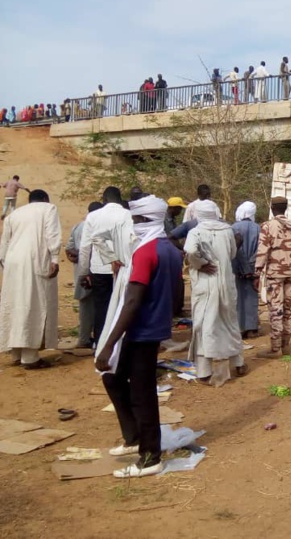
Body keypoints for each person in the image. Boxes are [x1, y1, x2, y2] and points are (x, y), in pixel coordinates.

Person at [95, 196, 183, 478]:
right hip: (152, 327)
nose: (134, 226)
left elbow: (132, 300)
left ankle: (150, 457)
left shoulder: (145, 252)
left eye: (137, 220)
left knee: (142, 393)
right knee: (113, 378)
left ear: (146, 220)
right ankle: (134, 437)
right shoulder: (169, 248)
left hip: (140, 330)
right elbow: (178, 293)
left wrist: (108, 344)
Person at [184, 200, 246, 385]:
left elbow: (190, 250)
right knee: (229, 322)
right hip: (226, 282)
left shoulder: (195, 231)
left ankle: (204, 371)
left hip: (206, 284)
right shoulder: (227, 230)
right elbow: (233, 253)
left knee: (205, 324)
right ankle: (239, 363)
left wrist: (201, 264)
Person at [0, 189, 61, 369]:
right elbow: (52, 234)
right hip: (34, 260)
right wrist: (55, 258)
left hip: (13, 261)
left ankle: (16, 353)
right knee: (34, 304)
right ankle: (30, 357)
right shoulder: (49, 208)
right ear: (44, 198)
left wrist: (4, 262)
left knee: (16, 303)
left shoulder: (15, 213)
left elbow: (4, 241)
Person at [79, 186, 134, 346]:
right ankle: (120, 345)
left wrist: (83, 273)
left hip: (99, 268)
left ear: (104, 199)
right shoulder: (128, 215)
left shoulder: (93, 216)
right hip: (123, 267)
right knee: (121, 306)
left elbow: (85, 247)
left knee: (101, 307)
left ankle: (100, 344)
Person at [254, 197, 291, 358]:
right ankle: (286, 345)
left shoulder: (267, 226)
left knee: (276, 309)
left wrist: (257, 272)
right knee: (289, 308)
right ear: (286, 208)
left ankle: (276, 349)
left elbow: (262, 251)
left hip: (275, 274)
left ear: (272, 207)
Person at [66, 202, 103, 347]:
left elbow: (69, 249)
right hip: (91, 272)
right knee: (91, 307)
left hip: (80, 272)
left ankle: (87, 337)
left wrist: (76, 256)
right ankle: (84, 339)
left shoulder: (77, 226)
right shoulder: (96, 227)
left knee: (86, 306)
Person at [232, 201, 260, 338]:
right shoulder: (258, 228)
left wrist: (243, 266)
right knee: (251, 296)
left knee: (237, 296)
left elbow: (235, 250)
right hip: (254, 267)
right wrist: (251, 266)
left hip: (236, 267)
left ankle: (238, 327)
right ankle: (252, 328)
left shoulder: (233, 228)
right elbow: (260, 250)